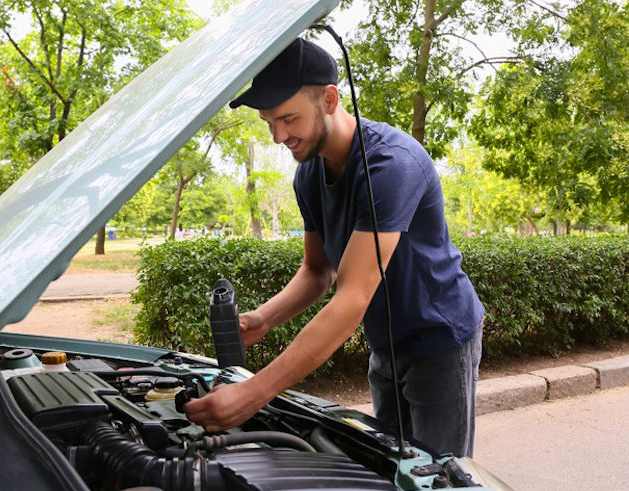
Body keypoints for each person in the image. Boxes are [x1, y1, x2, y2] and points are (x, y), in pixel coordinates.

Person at [183, 37, 484, 457]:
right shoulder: (309, 175)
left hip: (440, 342)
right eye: (269, 122)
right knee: (389, 468)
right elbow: (317, 271)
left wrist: (253, 393)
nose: (278, 136)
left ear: (329, 99)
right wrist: (264, 318)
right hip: (386, 345)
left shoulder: (391, 165)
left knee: (437, 477)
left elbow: (352, 297)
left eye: (288, 119)